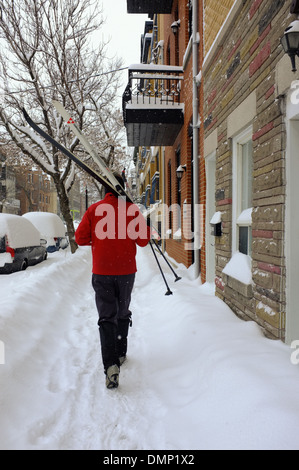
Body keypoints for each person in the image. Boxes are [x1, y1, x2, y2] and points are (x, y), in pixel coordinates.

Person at [75, 173, 151, 389]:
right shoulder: (131, 210)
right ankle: (120, 352)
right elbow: (144, 240)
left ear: (104, 188)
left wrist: (99, 240)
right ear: (123, 187)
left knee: (106, 316)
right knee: (122, 310)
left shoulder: (94, 210)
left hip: (101, 272)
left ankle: (110, 365)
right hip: (126, 271)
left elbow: (80, 238)